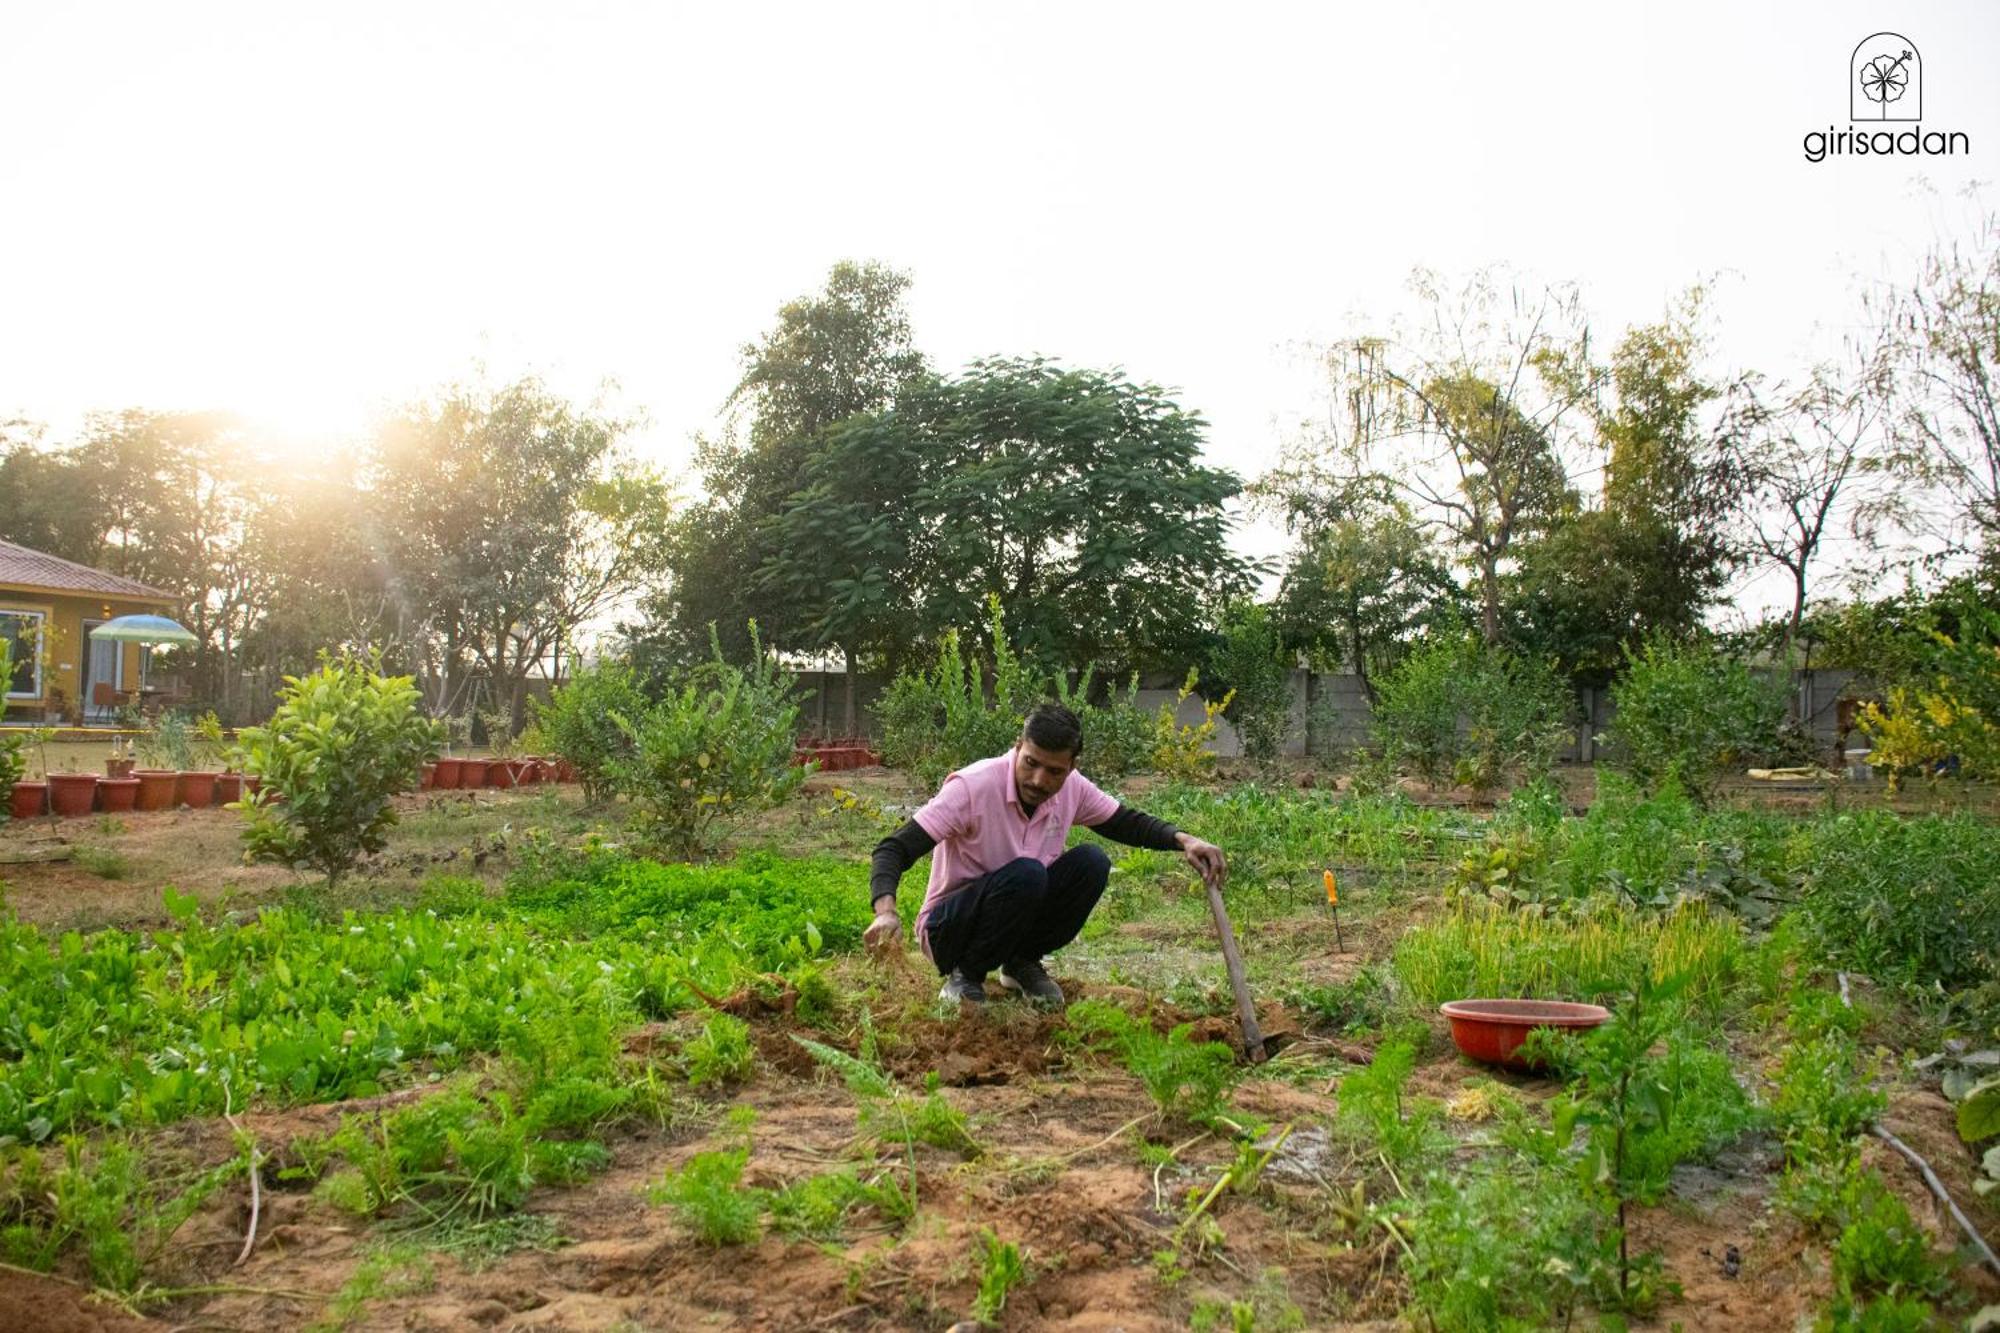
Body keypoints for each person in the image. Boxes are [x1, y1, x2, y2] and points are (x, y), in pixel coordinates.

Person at [862, 702, 1228, 1005]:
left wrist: (1184, 840)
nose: (1038, 780)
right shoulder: (974, 787)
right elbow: (894, 848)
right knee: (1028, 873)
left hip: (1015, 909)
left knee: (1091, 862)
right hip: (950, 929)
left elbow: (1124, 822)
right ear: (1018, 747)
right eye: (1031, 763)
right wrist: (886, 913)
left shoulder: (1073, 789)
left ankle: (1020, 964)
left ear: (1071, 768)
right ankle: (965, 976)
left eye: (1054, 771)